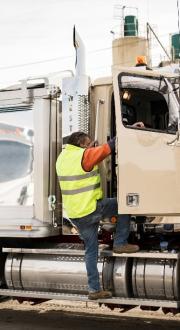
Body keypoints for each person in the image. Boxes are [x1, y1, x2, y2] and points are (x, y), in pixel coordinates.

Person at [56, 132, 139, 300]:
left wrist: (90, 149)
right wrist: (129, 130)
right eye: (88, 145)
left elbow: (84, 160)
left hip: (76, 213)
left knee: (91, 251)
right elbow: (110, 146)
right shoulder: (85, 155)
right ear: (81, 145)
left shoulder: (63, 157)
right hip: (90, 209)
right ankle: (120, 243)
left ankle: (94, 290)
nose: (90, 147)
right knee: (123, 203)